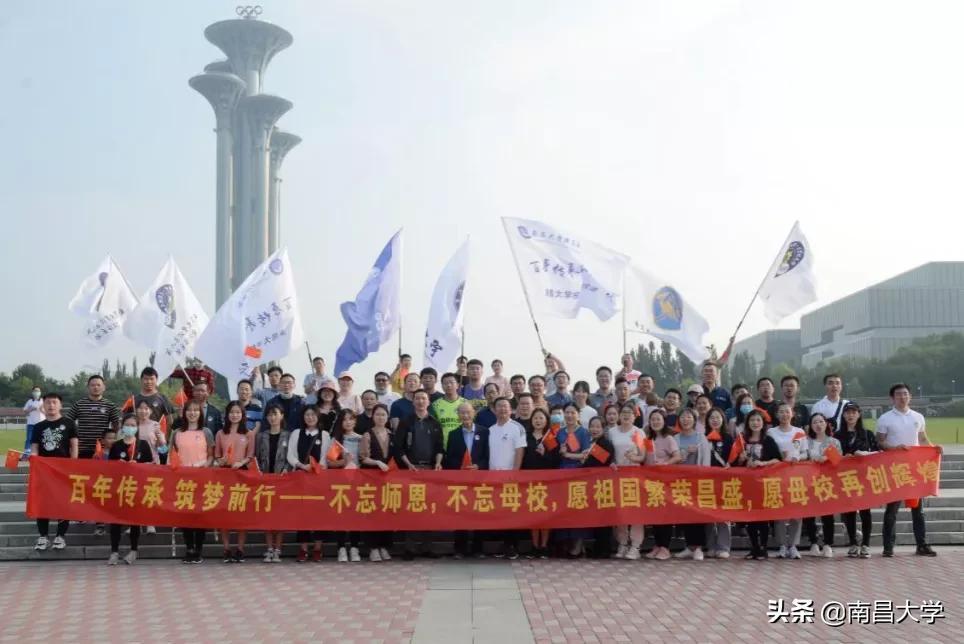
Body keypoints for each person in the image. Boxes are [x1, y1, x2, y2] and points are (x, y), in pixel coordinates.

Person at [878, 383, 939, 557]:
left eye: (905, 394)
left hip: (914, 469)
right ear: (892, 398)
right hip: (895, 469)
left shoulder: (918, 417)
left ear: (910, 396)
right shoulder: (885, 418)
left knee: (918, 510)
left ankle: (921, 544)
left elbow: (922, 438)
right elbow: (880, 442)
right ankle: (888, 547)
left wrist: (934, 448)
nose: (902, 397)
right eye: (898, 394)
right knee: (892, 510)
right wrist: (895, 448)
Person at [395, 390, 444, 559]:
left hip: (430, 470)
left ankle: (427, 547)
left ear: (428, 402)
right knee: (411, 509)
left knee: (429, 509)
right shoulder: (406, 421)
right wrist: (408, 464)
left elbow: (439, 447)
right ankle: (409, 548)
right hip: (411, 471)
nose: (421, 401)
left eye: (424, 398)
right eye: (417, 398)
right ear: (413, 402)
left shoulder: (434, 423)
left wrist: (438, 463)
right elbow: (398, 447)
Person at [31, 393, 78, 551]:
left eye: (54, 402)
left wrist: (73, 466)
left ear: (60, 405)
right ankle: (43, 536)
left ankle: (60, 536)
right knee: (42, 504)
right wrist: (34, 459)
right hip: (44, 472)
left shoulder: (69, 423)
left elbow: (74, 446)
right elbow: (35, 448)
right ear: (43, 406)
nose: (51, 405)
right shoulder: (39, 427)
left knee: (62, 503)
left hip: (63, 471)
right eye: (48, 403)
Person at [171, 400, 214, 563]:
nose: (192, 413)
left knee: (200, 515)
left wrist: (204, 466)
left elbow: (211, 455)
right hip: (182, 480)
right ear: (184, 413)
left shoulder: (206, 432)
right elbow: (172, 455)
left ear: (200, 413)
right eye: (189, 410)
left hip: (201, 478)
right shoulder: (177, 433)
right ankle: (189, 548)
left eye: (196, 410)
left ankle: (198, 549)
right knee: (185, 514)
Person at [445, 403, 490, 558]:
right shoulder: (453, 434)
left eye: (468, 412)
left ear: (474, 413)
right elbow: (449, 457)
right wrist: (460, 466)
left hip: (480, 479)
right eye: (462, 413)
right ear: (458, 415)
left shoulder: (484, 432)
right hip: (461, 480)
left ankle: (478, 549)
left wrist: (479, 466)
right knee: (460, 513)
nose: (465, 416)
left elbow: (488, 455)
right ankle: (460, 549)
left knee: (479, 513)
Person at [287, 405, 332, 562]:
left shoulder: (324, 435)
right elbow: (290, 455)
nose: (310, 417)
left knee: (319, 513)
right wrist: (301, 465)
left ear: (318, 417)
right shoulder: (296, 433)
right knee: (302, 514)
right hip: (300, 478)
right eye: (307, 415)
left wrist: (316, 468)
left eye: (313, 414)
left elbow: (326, 457)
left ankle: (318, 548)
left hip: (319, 479)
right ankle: (303, 548)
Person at [736, 409, 782, 559]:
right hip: (747, 484)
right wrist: (741, 459)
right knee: (749, 517)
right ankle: (754, 547)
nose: (755, 423)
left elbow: (778, 460)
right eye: (752, 420)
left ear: (763, 423)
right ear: (747, 423)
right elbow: (733, 463)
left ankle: (763, 547)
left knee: (763, 516)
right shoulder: (742, 440)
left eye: (758, 420)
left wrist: (763, 463)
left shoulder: (768, 440)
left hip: (764, 483)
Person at [107, 415, 153, 565]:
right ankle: (114, 552)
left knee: (134, 521)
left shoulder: (143, 444)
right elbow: (108, 467)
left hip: (136, 488)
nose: (130, 427)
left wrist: (138, 465)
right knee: (115, 521)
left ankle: (133, 551)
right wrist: (118, 464)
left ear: (137, 427)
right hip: (119, 488)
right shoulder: (116, 445)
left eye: (133, 425)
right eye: (127, 425)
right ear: (122, 426)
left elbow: (150, 465)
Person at [835, 402, 878, 559]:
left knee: (865, 512)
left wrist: (864, 454)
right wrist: (843, 458)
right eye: (848, 412)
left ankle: (865, 544)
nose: (851, 415)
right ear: (843, 415)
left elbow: (878, 454)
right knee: (849, 512)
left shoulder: (867, 434)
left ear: (859, 414)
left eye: (854, 412)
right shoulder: (837, 435)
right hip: (845, 478)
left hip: (864, 478)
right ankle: (853, 543)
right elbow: (831, 457)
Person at [214, 402, 256, 562]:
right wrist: (221, 460)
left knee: (241, 513)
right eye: (232, 412)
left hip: (241, 475)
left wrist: (241, 462)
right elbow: (217, 455)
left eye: (238, 412)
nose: (234, 415)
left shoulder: (249, 434)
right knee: (224, 513)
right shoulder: (220, 433)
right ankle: (226, 548)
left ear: (242, 415)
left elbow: (251, 455)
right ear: (227, 414)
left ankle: (240, 549)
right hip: (224, 475)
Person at [487, 398, 527, 558]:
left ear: (511, 410)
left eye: (505, 406)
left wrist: (515, 473)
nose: (502, 409)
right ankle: (502, 544)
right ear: (494, 410)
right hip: (493, 478)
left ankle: (512, 546)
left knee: (512, 512)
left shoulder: (517, 427)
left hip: (511, 477)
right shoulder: (490, 430)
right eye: (499, 406)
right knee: (499, 512)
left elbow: (520, 451)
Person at [768, 402, 808, 559]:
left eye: (787, 411)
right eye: (781, 412)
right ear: (777, 415)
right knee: (779, 512)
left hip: (796, 476)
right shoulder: (771, 432)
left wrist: (798, 457)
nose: (784, 414)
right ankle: (782, 545)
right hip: (777, 476)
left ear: (792, 414)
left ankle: (793, 545)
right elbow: (768, 452)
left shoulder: (799, 432)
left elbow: (805, 453)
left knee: (796, 512)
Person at [608, 404, 647, 560]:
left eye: (629, 413)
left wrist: (634, 458)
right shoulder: (612, 432)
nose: (626, 415)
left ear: (634, 416)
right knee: (620, 511)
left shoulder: (639, 432)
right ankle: (622, 543)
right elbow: (609, 453)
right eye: (623, 412)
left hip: (634, 475)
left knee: (635, 511)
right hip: (617, 475)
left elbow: (643, 456)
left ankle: (635, 546)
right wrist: (611, 462)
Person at [644, 409, 682, 560]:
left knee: (665, 514)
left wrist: (665, 463)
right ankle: (658, 545)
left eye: (658, 419)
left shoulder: (668, 438)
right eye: (653, 419)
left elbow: (677, 456)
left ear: (664, 421)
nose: (655, 422)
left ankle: (665, 547)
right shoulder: (648, 438)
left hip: (665, 481)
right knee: (654, 514)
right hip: (650, 481)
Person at [359, 404, 396, 561]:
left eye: (383, 415)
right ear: (373, 417)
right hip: (371, 478)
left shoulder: (392, 434)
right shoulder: (367, 435)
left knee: (387, 511)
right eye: (378, 414)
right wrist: (377, 462)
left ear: (387, 417)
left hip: (389, 480)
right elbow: (363, 458)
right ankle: (373, 547)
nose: (381, 417)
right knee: (372, 512)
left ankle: (384, 546)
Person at [802, 413, 841, 558]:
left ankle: (828, 544)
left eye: (821, 421)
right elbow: (801, 458)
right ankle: (813, 542)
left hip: (827, 482)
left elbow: (839, 461)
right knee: (809, 514)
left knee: (828, 514)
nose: (818, 425)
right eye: (815, 422)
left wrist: (827, 458)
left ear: (826, 424)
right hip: (809, 482)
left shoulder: (834, 442)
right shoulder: (806, 442)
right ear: (810, 426)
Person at [522, 408, 559, 558]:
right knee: (532, 514)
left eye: (541, 418)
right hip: (529, 481)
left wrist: (544, 455)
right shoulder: (526, 437)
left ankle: (544, 546)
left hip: (546, 482)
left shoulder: (550, 437)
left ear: (546, 421)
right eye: (535, 418)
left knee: (545, 514)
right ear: (531, 420)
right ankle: (534, 545)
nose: (538, 421)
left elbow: (556, 461)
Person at [674, 408, 710, 561]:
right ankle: (689, 546)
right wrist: (686, 452)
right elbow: (675, 459)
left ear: (694, 420)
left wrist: (704, 478)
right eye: (683, 417)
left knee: (697, 514)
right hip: (681, 482)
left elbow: (706, 460)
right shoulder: (676, 438)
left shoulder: (701, 437)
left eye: (689, 417)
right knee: (685, 514)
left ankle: (699, 548)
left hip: (698, 481)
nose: (686, 420)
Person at [327, 409, 364, 562]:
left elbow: (365, 458)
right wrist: (344, 461)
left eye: (351, 419)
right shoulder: (337, 441)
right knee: (341, 514)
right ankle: (341, 548)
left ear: (355, 421)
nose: (348, 422)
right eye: (345, 419)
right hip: (341, 483)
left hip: (358, 482)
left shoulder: (361, 438)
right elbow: (330, 462)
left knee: (356, 515)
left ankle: (354, 547)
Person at [255, 404, 290, 562]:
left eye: (275, 414)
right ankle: (269, 548)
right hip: (265, 480)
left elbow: (291, 457)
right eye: (269, 414)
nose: (272, 417)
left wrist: (287, 469)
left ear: (282, 415)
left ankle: (278, 549)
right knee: (267, 515)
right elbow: (256, 457)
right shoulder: (261, 436)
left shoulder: (288, 435)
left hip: (282, 481)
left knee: (280, 516)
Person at [557, 403, 592, 557]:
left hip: (578, 474)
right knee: (564, 509)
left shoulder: (583, 432)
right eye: (567, 412)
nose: (569, 415)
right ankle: (565, 543)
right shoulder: (559, 432)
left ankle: (578, 544)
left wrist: (568, 455)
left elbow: (585, 455)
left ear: (578, 414)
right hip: (562, 473)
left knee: (578, 509)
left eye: (573, 412)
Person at [582, 415, 616, 559]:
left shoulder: (605, 443)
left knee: (604, 518)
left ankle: (604, 549)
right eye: (592, 426)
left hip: (603, 485)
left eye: (597, 426)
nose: (594, 429)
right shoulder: (593, 443)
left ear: (603, 428)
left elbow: (602, 462)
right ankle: (599, 547)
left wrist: (586, 458)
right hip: (595, 485)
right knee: (597, 517)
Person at [64, 374, 121, 459]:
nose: (96, 387)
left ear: (104, 387)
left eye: (98, 385)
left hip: (103, 451)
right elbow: (67, 422)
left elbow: (116, 425)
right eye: (93, 385)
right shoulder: (79, 404)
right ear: (88, 387)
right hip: (82, 449)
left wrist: (111, 442)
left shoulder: (110, 405)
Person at [704, 407, 734, 559]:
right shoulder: (703, 437)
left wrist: (731, 464)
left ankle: (723, 546)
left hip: (724, 480)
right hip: (706, 481)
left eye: (718, 417)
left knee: (724, 514)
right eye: (712, 418)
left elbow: (733, 458)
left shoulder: (728, 438)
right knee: (707, 514)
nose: (715, 420)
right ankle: (710, 546)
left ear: (723, 419)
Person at [430, 372, 468, 445]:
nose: (449, 385)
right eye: (445, 383)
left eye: (451, 382)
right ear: (442, 386)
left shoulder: (465, 403)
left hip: (462, 444)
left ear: (457, 385)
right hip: (442, 445)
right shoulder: (435, 405)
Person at [134, 399, 166, 466]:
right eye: (140, 408)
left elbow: (163, 448)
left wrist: (159, 439)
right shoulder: (132, 425)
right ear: (136, 410)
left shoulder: (156, 425)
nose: (143, 411)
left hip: (152, 463)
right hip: (134, 461)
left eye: (146, 409)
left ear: (151, 411)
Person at [22, 385, 45, 458]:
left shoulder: (43, 401)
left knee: (42, 439)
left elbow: (47, 413)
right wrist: (31, 409)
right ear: (32, 392)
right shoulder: (29, 401)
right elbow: (25, 411)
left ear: (40, 392)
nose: (36, 392)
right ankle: (26, 455)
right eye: (35, 391)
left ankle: (42, 454)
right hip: (31, 423)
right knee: (29, 439)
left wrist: (41, 409)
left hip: (41, 423)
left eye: (38, 391)